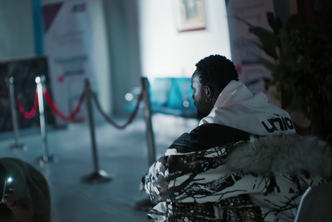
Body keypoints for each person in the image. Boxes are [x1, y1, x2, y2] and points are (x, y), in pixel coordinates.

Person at [140, 54, 332, 221]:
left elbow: (171, 169)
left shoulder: (217, 123)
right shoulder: (280, 115)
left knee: (176, 203)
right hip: (300, 208)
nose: (192, 96)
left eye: (194, 89)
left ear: (207, 92)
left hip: (266, 211)